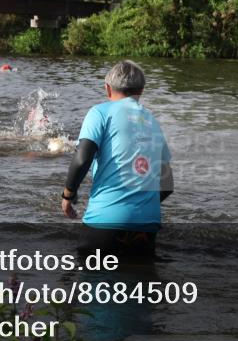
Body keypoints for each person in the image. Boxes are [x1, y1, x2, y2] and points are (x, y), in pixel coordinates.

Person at [61, 60, 173, 261]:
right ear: (142, 90)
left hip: (105, 223)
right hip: (147, 227)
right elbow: (167, 184)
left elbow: (82, 158)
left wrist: (68, 196)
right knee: (140, 288)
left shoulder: (100, 112)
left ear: (107, 88)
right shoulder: (152, 120)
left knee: (91, 284)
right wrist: (138, 206)